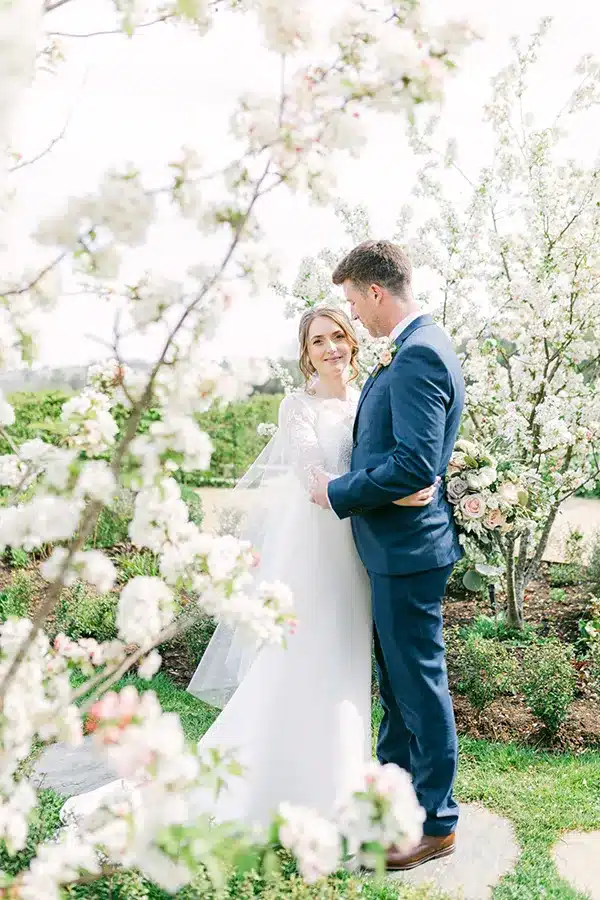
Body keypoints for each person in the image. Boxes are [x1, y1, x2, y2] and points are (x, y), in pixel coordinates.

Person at [59, 306, 436, 833]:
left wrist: (411, 480)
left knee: (347, 662)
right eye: (318, 341)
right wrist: (398, 494)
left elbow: (395, 457)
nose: (331, 348)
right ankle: (281, 781)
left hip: (358, 552)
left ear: (352, 341)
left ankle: (340, 778)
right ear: (305, 354)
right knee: (305, 659)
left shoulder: (366, 400)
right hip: (316, 553)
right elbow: (314, 480)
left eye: (338, 337)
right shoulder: (297, 407)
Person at [310, 241, 465, 871]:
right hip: (398, 547)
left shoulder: (418, 354)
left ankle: (438, 821)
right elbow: (408, 462)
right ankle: (394, 803)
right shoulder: (419, 347)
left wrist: (337, 490)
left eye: (352, 301)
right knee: (401, 689)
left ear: (376, 291)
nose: (354, 315)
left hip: (409, 552)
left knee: (419, 687)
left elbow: (414, 464)